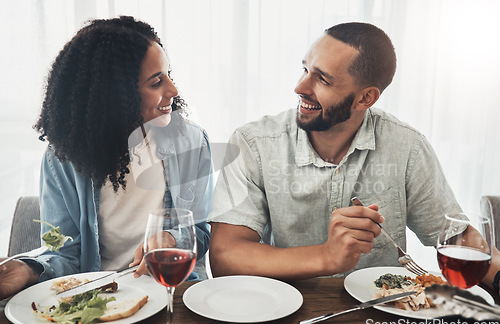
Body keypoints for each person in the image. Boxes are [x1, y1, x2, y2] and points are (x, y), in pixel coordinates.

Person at [208, 22, 500, 288]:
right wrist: (326, 257)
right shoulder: (254, 143)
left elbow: (455, 238)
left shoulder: (407, 147)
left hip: (381, 314)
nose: (300, 87)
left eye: (322, 79)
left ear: (366, 98)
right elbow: (225, 257)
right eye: (305, 69)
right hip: (281, 312)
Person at [0, 16, 213, 300]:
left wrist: (172, 239)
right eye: (156, 82)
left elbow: (202, 228)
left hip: (172, 294)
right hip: (98, 298)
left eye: (168, 74)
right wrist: (29, 269)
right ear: (115, 96)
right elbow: (64, 254)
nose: (173, 90)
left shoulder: (190, 142)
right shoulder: (62, 158)